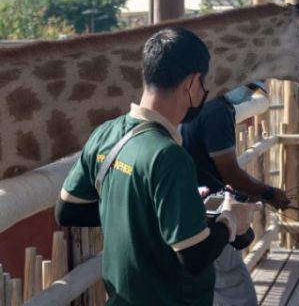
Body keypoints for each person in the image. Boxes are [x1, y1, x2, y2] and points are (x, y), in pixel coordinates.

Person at [55, 27, 256, 305]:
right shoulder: (169, 155)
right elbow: (194, 257)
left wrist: (159, 209)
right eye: (204, 83)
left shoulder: (106, 133)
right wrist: (231, 220)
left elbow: (68, 211)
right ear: (191, 83)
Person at [181, 81, 290, 306]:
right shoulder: (217, 111)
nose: (249, 93)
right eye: (248, 85)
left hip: (194, 206)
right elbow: (230, 172)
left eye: (253, 89)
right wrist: (268, 192)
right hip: (212, 211)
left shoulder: (202, 104)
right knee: (235, 287)